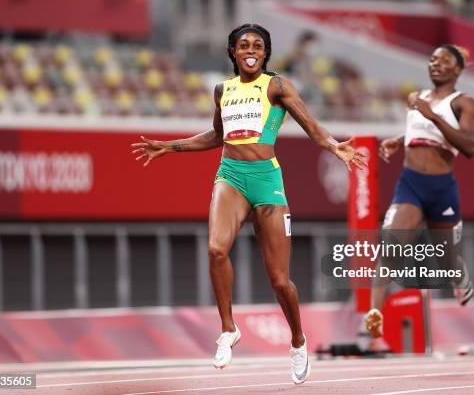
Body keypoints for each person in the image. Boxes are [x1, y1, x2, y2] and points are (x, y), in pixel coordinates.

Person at [131, 23, 366, 384]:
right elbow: (217, 136)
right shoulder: (222, 90)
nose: (251, 49)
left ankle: (298, 340)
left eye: (258, 45)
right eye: (244, 45)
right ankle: (228, 329)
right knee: (215, 249)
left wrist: (335, 146)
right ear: (233, 52)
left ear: (266, 53)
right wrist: (171, 146)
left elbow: (311, 125)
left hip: (267, 181)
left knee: (279, 280)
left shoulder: (276, 86)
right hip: (231, 176)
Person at [364, 44, 474, 339]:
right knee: (390, 248)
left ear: (458, 69)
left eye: (444, 60)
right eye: (432, 59)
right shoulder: (416, 98)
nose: (435, 64)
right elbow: (420, 131)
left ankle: (458, 270)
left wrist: (433, 116)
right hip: (411, 184)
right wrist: (399, 139)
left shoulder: (463, 103)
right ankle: (374, 313)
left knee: (447, 260)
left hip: (442, 188)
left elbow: (469, 146)